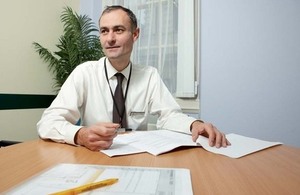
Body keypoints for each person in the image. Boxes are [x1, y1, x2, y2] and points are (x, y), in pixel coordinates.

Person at [37, 5, 230, 151]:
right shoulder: (84, 73)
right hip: (94, 156)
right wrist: (80, 134)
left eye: (118, 30)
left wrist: (195, 124)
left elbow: (169, 116)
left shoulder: (150, 75)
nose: (110, 38)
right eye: (104, 31)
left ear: (135, 34)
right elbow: (47, 123)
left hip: (137, 156)